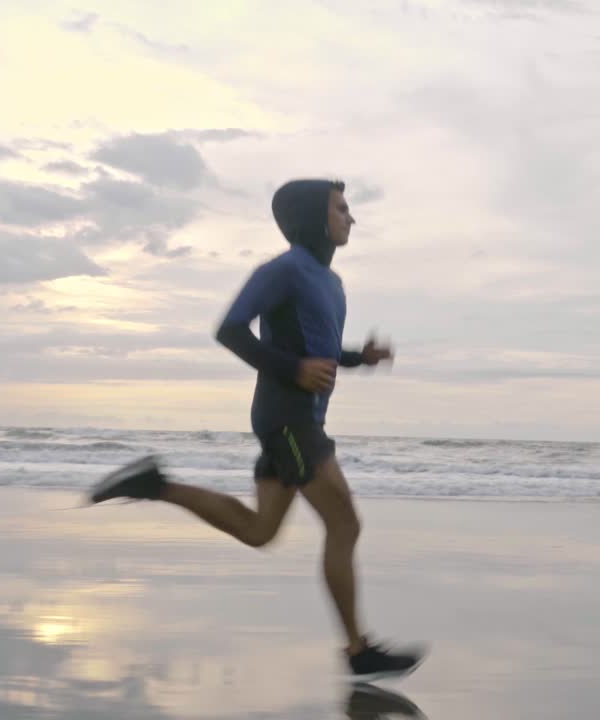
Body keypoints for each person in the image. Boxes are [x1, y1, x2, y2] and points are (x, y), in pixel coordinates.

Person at [88, 178, 424, 682]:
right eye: (341, 209)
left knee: (259, 531)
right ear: (313, 217)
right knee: (345, 525)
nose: (351, 218)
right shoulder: (282, 270)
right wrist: (293, 372)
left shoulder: (329, 282)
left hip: (298, 420)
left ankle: (155, 484)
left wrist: (360, 358)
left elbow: (319, 350)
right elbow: (229, 330)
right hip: (290, 419)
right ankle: (358, 650)